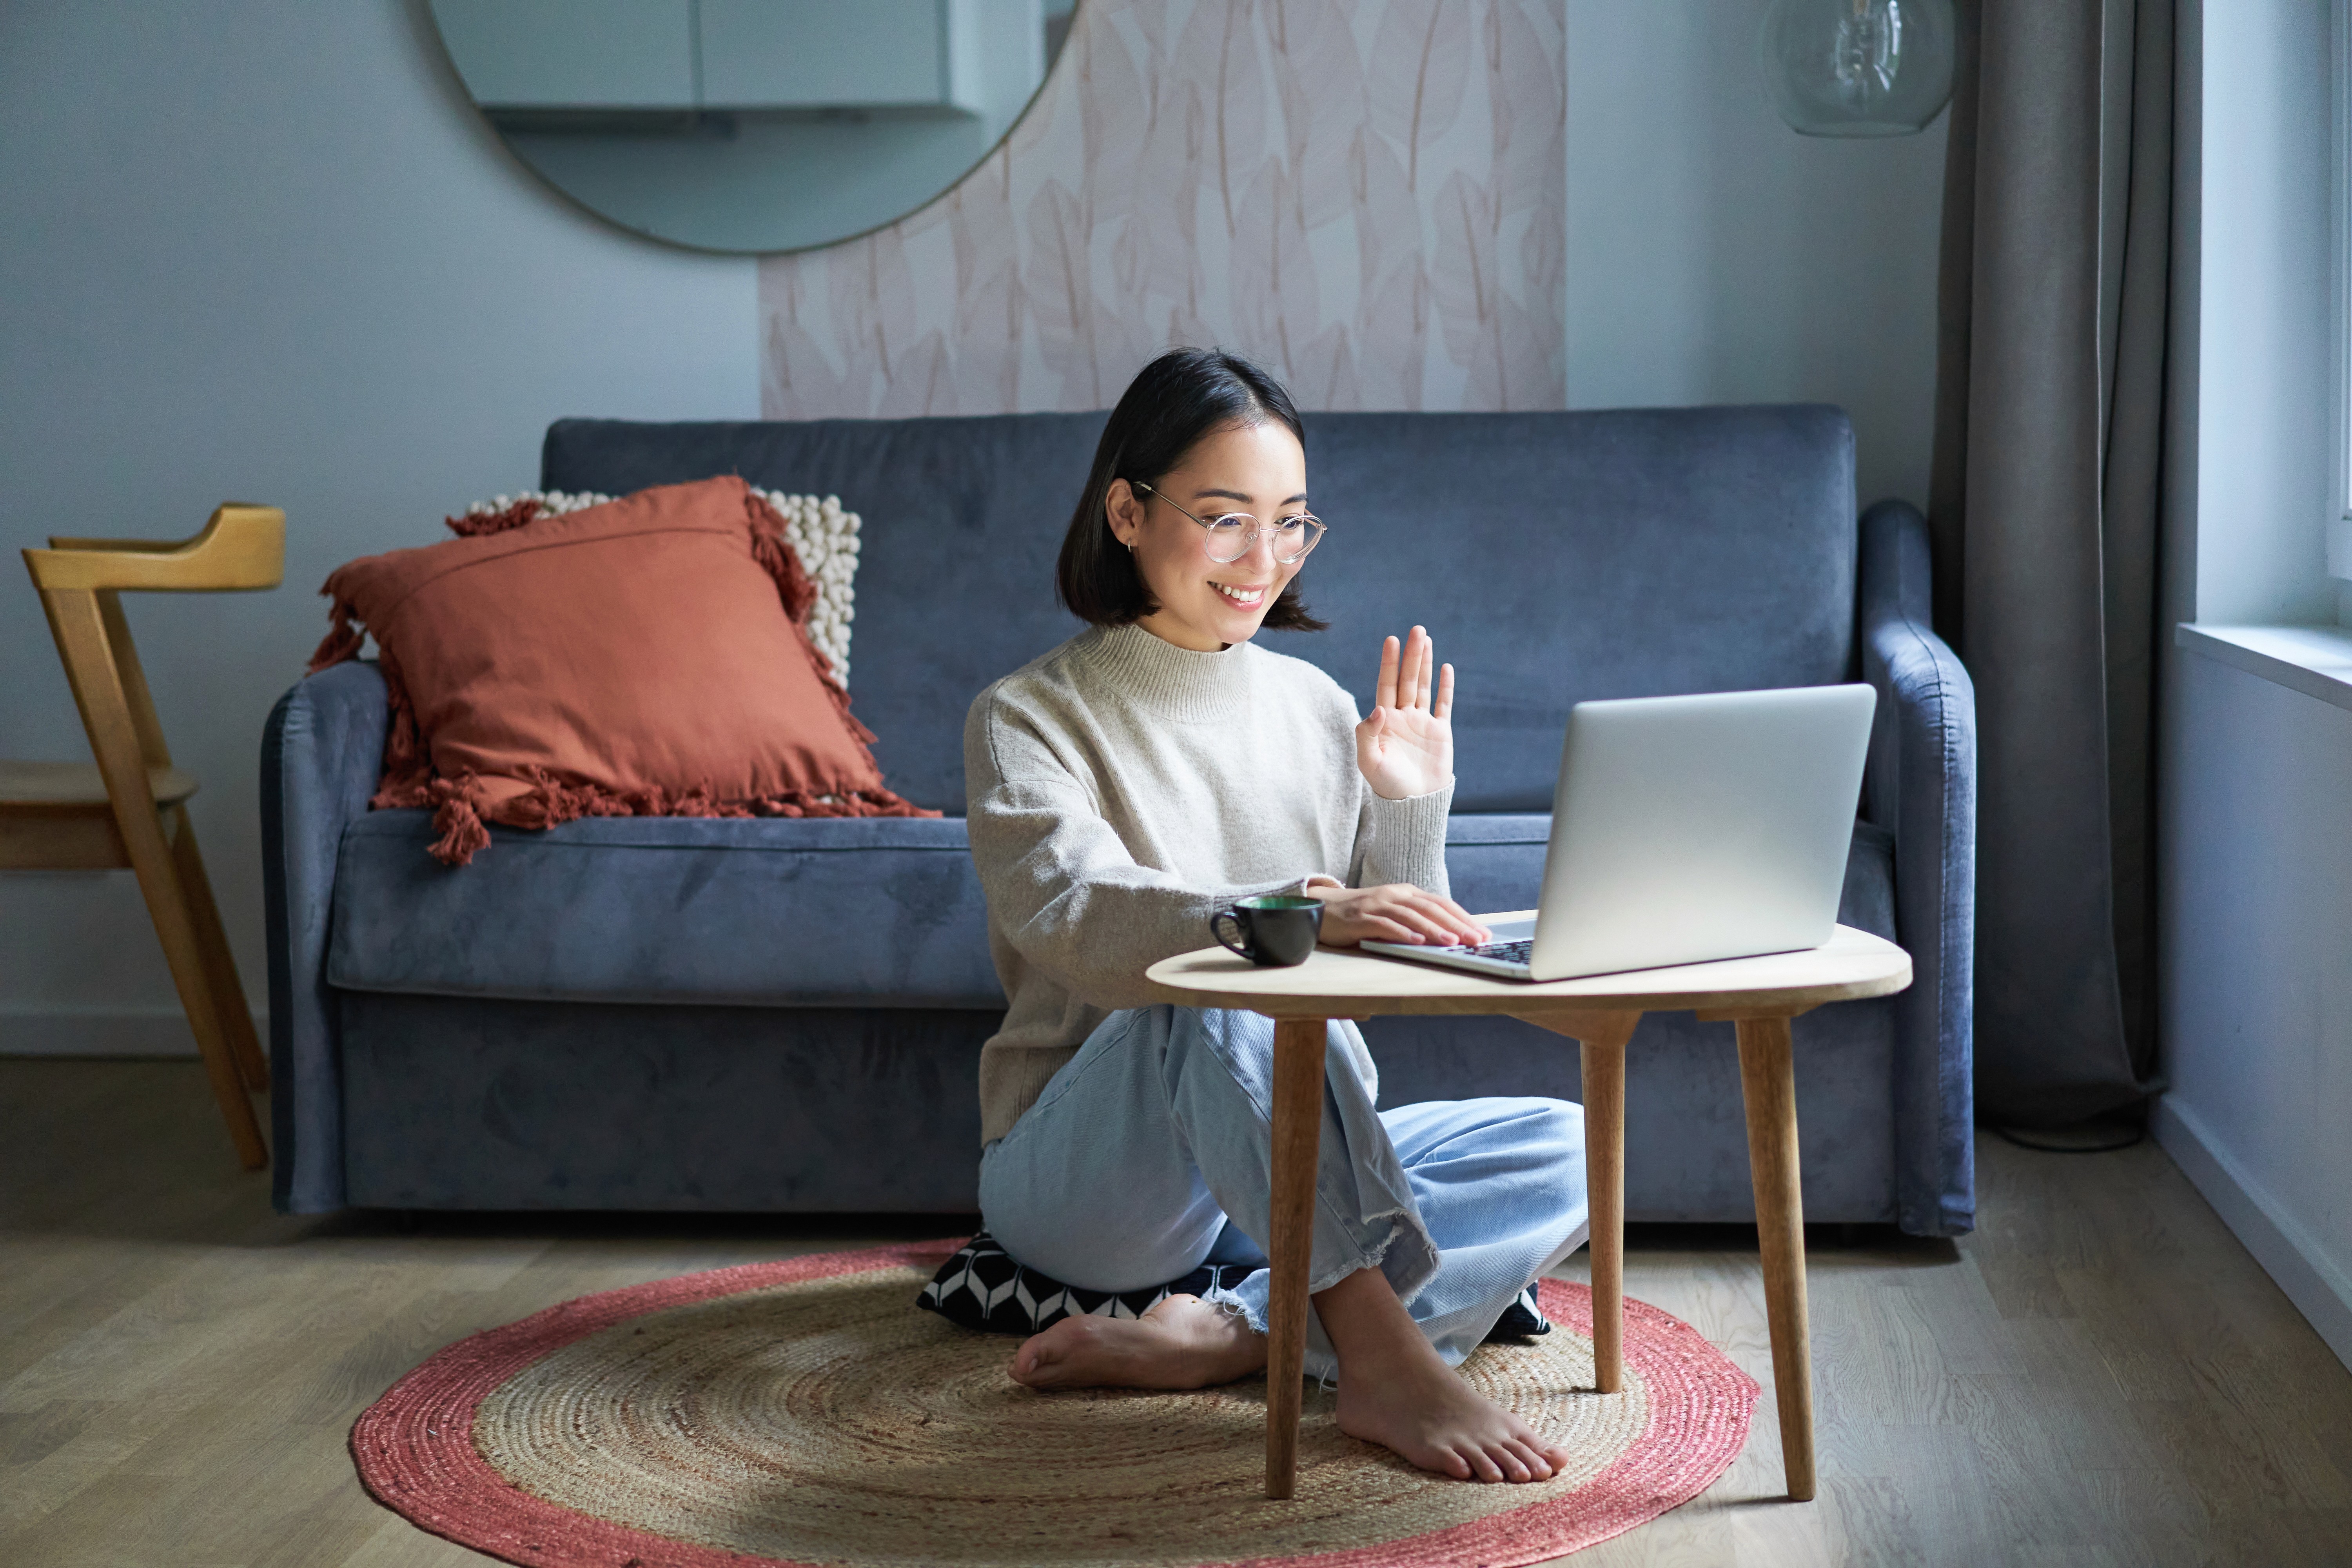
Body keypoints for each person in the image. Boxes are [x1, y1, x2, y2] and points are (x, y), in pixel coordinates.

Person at [964, 348, 1590, 1484]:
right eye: (1225, 519)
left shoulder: (1316, 705)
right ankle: (1380, 1355)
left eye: (1293, 524)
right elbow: (1073, 917)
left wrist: (1406, 808)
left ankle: (1236, 1333)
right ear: (1126, 511)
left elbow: (1390, 944)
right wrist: (1284, 911)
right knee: (1226, 982)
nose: (1266, 560)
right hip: (1095, 1184)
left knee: (1570, 1145)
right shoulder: (1027, 717)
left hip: (1277, 1155)